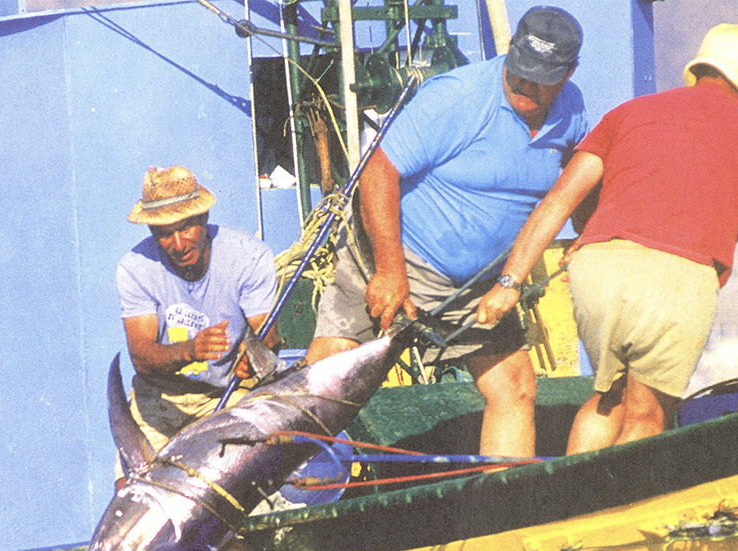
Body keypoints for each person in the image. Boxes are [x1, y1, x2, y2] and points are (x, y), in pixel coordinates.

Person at [477, 23, 738, 454]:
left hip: (598, 267)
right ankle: (615, 514)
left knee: (608, 400)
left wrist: (509, 282)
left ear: (698, 69)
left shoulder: (630, 112)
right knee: (646, 416)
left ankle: (566, 508)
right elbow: (734, 229)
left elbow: (560, 199)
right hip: (678, 277)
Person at [305, 6, 588, 458]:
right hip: (398, 257)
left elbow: (577, 180)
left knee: (514, 388)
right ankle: (279, 487)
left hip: (478, 286)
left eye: (542, 80)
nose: (525, 88)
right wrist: (390, 270)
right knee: (326, 381)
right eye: (519, 74)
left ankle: (503, 516)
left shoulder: (572, 111)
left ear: (568, 73)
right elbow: (378, 173)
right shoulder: (458, 96)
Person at [115, 165, 280, 484]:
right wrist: (192, 350)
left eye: (186, 227)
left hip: (228, 393)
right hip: (161, 397)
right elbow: (142, 358)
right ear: (151, 231)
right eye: (164, 233)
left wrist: (255, 353)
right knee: (131, 490)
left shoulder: (249, 256)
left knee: (237, 487)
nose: (178, 243)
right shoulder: (134, 268)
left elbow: (268, 336)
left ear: (204, 219)